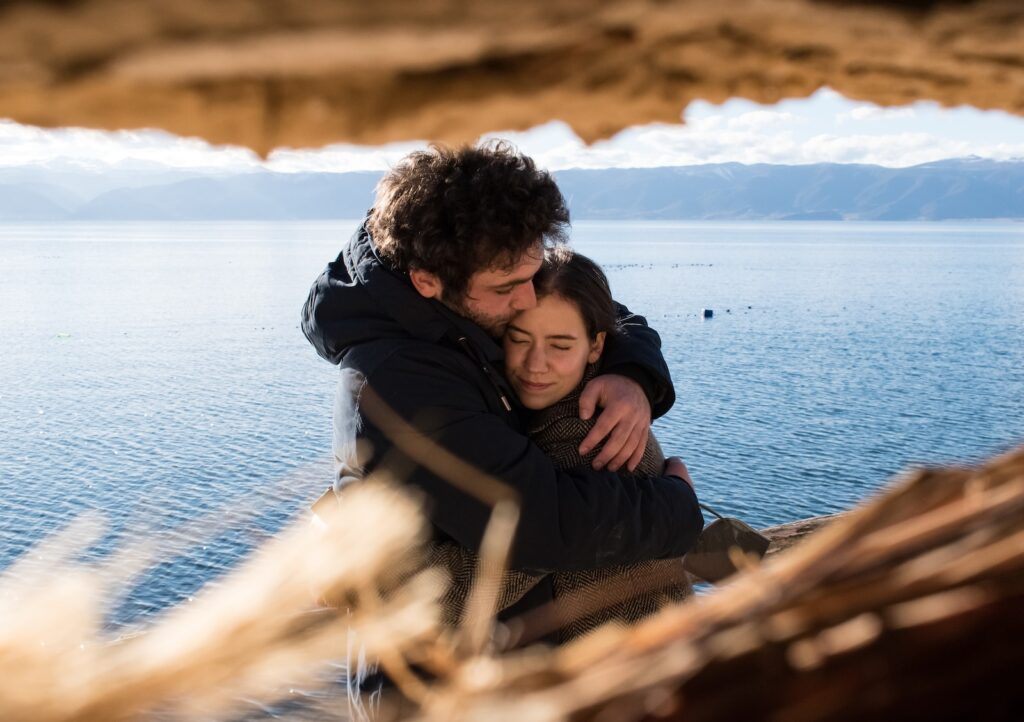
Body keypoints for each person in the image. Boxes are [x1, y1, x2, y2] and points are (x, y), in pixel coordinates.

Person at [301, 141, 703, 710]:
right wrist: (677, 508)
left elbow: (596, 311)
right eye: (507, 289)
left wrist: (632, 375)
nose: (528, 299)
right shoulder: (401, 379)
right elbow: (538, 523)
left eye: (532, 272)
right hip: (431, 689)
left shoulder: (463, 301)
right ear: (427, 281)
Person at [431, 245, 694, 643]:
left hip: (628, 682)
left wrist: (350, 569)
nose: (536, 365)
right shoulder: (569, 405)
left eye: (559, 345)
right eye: (519, 339)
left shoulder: (589, 442)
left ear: (597, 346)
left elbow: (458, 593)